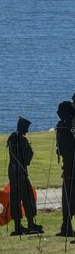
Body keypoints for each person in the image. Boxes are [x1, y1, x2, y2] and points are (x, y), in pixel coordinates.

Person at [7, 117, 41, 235]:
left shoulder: (11, 139)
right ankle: (30, 223)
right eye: (26, 127)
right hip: (20, 173)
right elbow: (26, 159)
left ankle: (18, 225)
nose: (27, 130)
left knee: (15, 198)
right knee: (28, 198)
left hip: (12, 172)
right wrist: (30, 149)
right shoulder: (22, 140)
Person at [56, 101, 75, 237]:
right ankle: (66, 226)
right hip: (68, 168)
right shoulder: (64, 127)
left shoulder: (66, 128)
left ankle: (66, 226)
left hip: (70, 169)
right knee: (67, 199)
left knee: (69, 198)